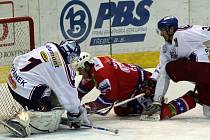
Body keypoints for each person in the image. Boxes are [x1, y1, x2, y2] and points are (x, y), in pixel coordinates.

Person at [6, 39, 91, 137]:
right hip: (25, 90)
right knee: (50, 118)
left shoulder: (50, 46)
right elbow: (69, 97)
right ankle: (23, 122)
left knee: (51, 89)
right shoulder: (62, 68)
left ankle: (32, 111)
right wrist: (76, 115)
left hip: (12, 79)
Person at [146, 15, 210, 120]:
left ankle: (157, 103)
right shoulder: (165, 48)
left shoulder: (184, 33)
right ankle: (198, 98)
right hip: (200, 75)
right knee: (208, 112)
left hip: (202, 66)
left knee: (168, 68)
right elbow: (162, 66)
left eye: (163, 30)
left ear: (171, 29)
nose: (161, 34)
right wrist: (153, 79)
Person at [72, 52, 157, 117]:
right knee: (120, 110)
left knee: (152, 110)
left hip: (143, 85)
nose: (79, 72)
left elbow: (109, 97)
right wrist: (73, 100)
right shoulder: (92, 67)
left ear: (86, 66)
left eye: (80, 69)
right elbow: (85, 86)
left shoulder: (102, 73)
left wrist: (89, 106)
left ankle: (157, 102)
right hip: (133, 85)